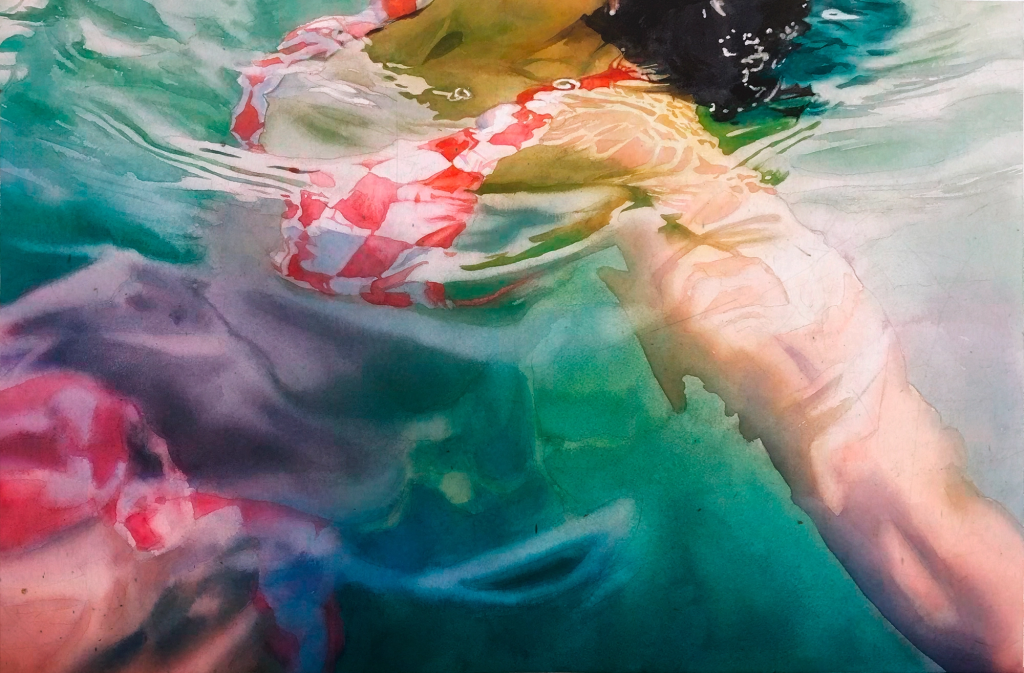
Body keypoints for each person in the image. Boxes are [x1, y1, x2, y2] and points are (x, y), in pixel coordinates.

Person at [0, 0, 1021, 671]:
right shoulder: (404, 16)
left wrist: (983, 602)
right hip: (75, 348)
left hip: (204, 514)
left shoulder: (621, 140)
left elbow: (860, 449)